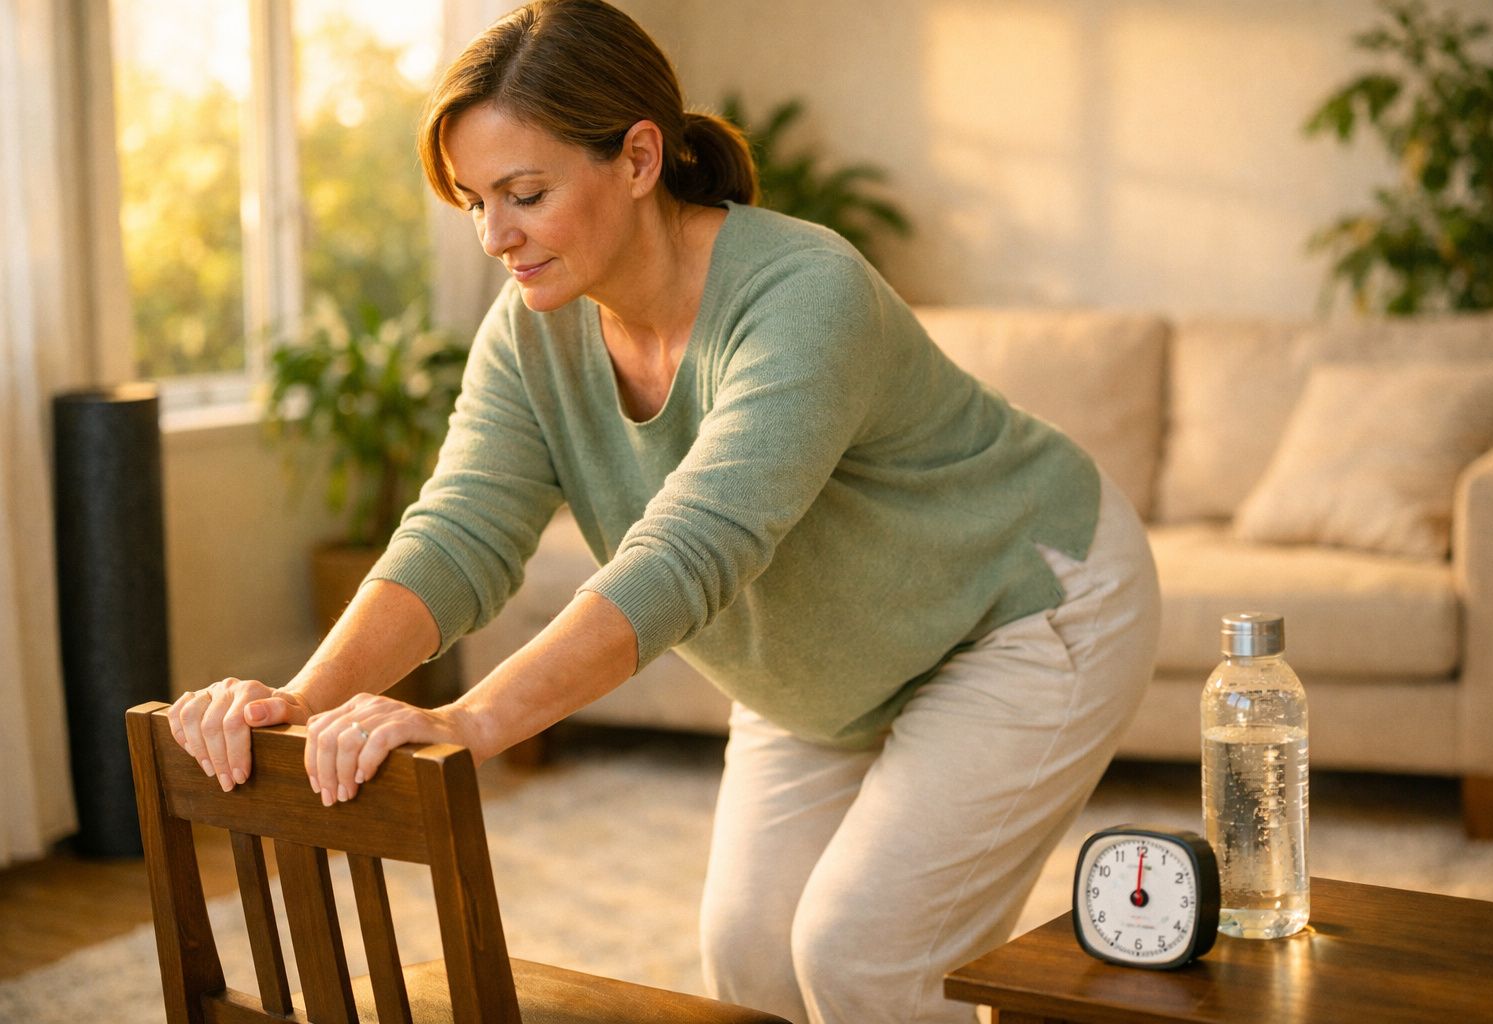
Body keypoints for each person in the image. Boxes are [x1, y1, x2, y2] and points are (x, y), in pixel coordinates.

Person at [167, 1, 1161, 1020]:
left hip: (1026, 604)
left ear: (640, 159)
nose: (493, 235)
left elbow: (693, 548)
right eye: (473, 201)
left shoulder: (803, 293)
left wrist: (467, 720)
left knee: (863, 953)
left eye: (525, 193)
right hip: (829, 669)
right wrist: (306, 696)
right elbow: (460, 530)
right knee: (752, 959)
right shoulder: (531, 330)